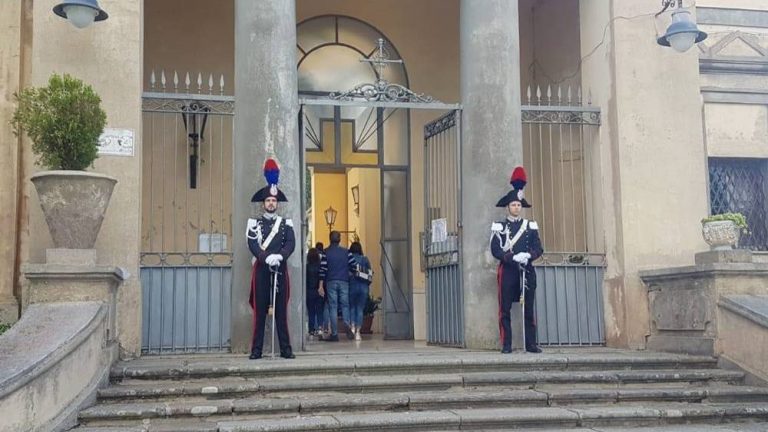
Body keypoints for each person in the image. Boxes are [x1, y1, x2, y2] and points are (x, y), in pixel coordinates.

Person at [490, 166, 544, 354]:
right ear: (508, 207)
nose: (516, 208)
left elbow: (539, 248)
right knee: (504, 309)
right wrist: (512, 257)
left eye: (518, 205)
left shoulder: (530, 226)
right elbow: (495, 249)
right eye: (513, 205)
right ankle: (507, 344)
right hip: (508, 271)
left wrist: (529, 255)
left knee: (528, 308)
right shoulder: (499, 226)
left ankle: (531, 344)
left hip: (527, 271)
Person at [246, 158, 296, 360]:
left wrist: (280, 256)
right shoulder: (253, 223)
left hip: (280, 269)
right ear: (263, 203)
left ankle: (286, 349)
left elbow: (291, 244)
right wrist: (266, 258)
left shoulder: (286, 223)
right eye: (268, 201)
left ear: (278, 204)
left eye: (274, 201)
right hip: (261, 270)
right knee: (259, 312)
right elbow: (252, 244)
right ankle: (256, 350)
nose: (271, 203)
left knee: (281, 311)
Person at [321, 231, 356, 341]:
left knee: (333, 306)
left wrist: (321, 285)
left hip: (331, 280)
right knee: (345, 305)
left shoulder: (325, 252)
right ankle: (346, 323)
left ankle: (335, 334)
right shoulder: (347, 252)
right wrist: (349, 273)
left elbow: (322, 270)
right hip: (344, 280)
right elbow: (354, 266)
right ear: (339, 239)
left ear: (329, 239)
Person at [348, 241, 373, 341]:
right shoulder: (365, 259)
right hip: (363, 287)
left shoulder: (349, 259)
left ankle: (352, 327)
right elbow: (370, 274)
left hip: (352, 286)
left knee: (352, 307)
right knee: (360, 309)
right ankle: (358, 332)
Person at [306, 248, 324, 336]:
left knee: (311, 311)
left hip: (309, 291)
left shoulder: (307, 267)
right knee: (320, 310)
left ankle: (311, 329)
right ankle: (320, 327)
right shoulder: (320, 267)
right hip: (319, 290)